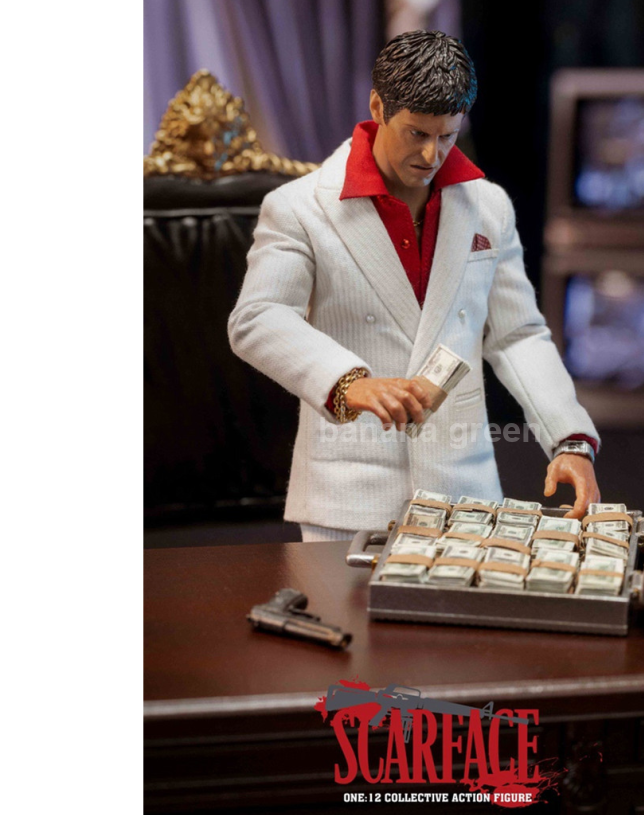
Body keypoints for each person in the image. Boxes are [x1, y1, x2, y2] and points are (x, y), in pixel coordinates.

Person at [228, 30, 601, 542]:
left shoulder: (489, 206)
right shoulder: (298, 207)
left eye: (448, 136)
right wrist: (347, 383)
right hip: (349, 493)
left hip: (465, 493)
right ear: (378, 107)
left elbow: (517, 335)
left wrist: (570, 440)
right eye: (417, 133)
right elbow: (258, 317)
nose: (432, 154)